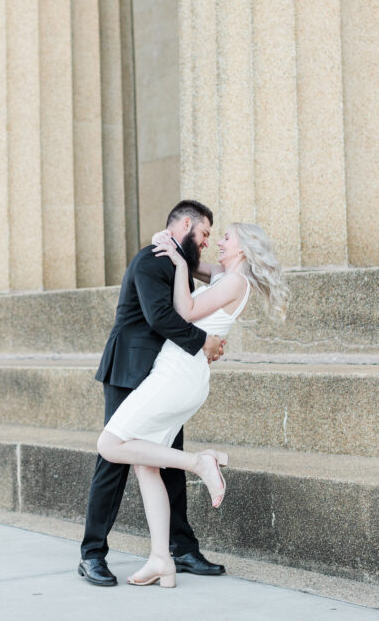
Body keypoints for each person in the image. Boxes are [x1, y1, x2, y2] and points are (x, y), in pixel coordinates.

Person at [95, 220, 288, 588]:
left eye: (226, 237)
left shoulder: (235, 282)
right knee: (145, 465)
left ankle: (199, 462)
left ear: (244, 247)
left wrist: (181, 267)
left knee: (109, 444)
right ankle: (160, 560)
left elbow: (183, 311)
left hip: (177, 375)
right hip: (180, 373)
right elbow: (183, 253)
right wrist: (165, 241)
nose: (217, 242)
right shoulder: (222, 274)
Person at [79, 200, 226, 587]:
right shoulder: (151, 259)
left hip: (163, 377)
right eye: (206, 233)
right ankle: (92, 554)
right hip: (130, 371)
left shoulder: (176, 260)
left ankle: (182, 549)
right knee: (112, 460)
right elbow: (159, 316)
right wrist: (204, 342)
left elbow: (217, 278)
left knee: (169, 460)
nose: (208, 242)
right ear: (187, 223)